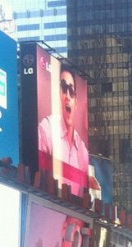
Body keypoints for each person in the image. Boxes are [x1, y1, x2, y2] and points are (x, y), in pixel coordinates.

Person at [37, 65, 90, 197]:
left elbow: (84, 198)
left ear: (76, 102)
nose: (67, 96)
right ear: (58, 95)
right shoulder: (47, 129)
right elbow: (37, 179)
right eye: (64, 89)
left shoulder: (83, 151)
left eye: (71, 91)